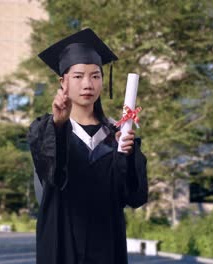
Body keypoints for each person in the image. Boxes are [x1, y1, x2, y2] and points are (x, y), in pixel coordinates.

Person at [28, 28, 148, 264]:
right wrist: (60, 126)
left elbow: (133, 196)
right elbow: (53, 176)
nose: (87, 84)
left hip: (106, 244)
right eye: (78, 76)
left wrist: (127, 156)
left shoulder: (116, 133)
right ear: (62, 82)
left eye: (95, 76)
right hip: (62, 244)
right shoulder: (45, 129)